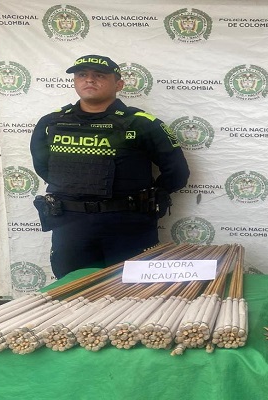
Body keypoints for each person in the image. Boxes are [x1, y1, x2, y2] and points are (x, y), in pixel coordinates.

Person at [30, 54, 189, 279]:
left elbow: (177, 172)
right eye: (82, 75)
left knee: (133, 291)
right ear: (75, 81)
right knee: (73, 289)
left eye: (100, 75)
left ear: (119, 84)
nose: (89, 80)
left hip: (128, 225)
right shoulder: (51, 122)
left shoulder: (142, 123)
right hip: (71, 226)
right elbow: (44, 167)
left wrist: (147, 199)